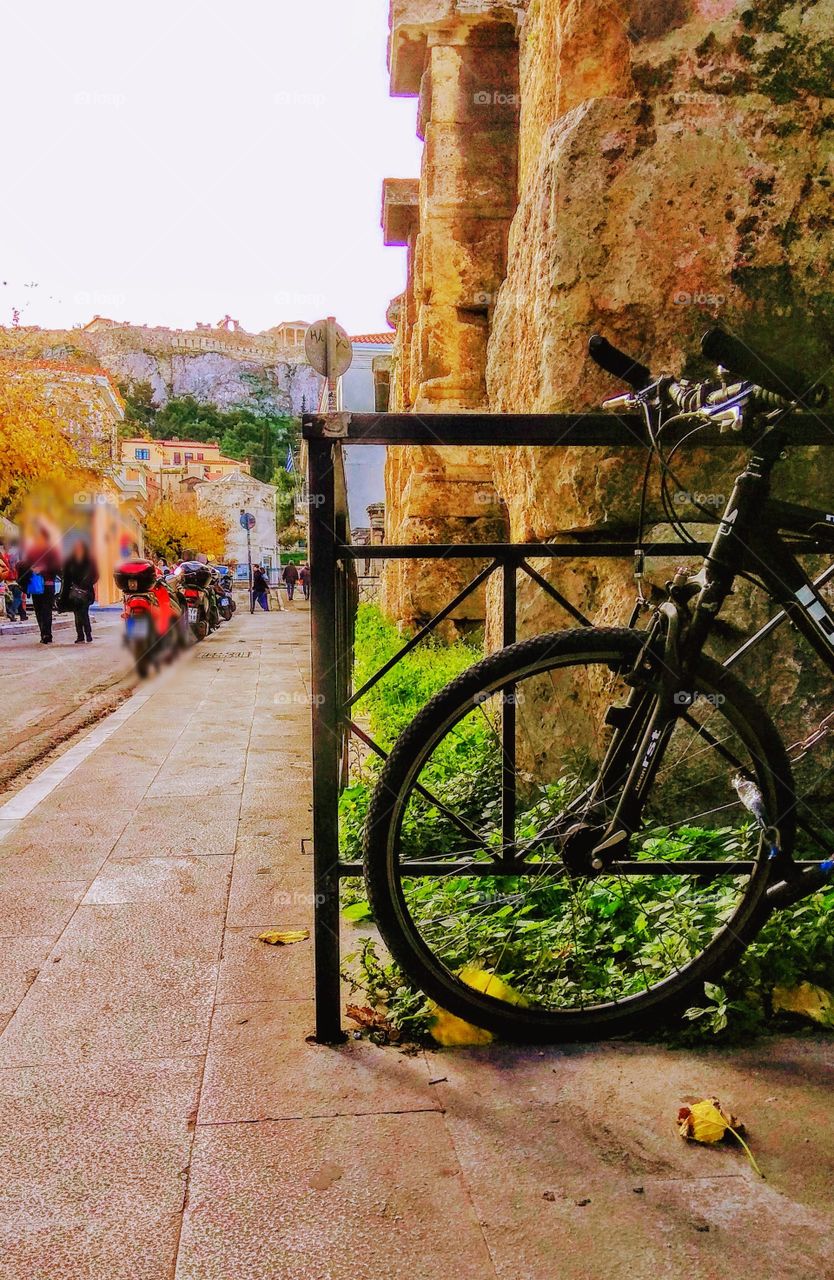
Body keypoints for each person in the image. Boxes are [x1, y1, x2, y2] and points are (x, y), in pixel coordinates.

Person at [19, 524, 61, 644]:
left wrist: (43, 568)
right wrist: (31, 568)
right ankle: (43, 633)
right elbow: (24, 565)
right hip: (35, 585)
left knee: (46, 609)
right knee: (38, 610)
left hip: (48, 585)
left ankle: (47, 634)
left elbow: (57, 567)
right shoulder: (32, 551)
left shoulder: (52, 551)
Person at [59, 541, 99, 643]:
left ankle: (86, 634)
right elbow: (66, 578)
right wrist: (62, 596)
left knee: (82, 611)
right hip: (74, 592)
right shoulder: (69, 562)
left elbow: (95, 575)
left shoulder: (90, 561)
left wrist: (86, 583)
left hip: (86, 591)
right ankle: (81, 635)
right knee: (77, 612)